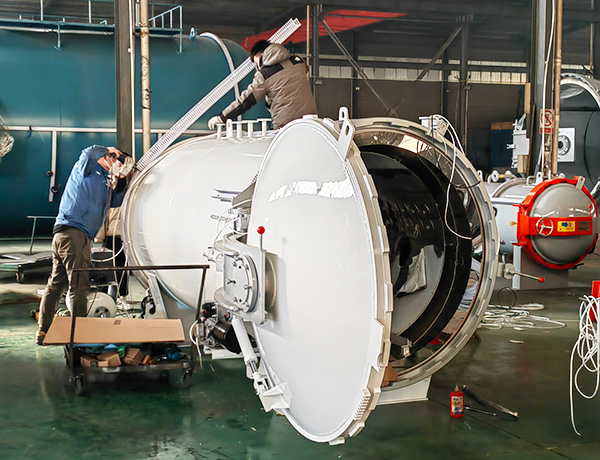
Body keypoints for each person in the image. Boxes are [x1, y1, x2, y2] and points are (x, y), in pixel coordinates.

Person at [36, 145, 129, 345]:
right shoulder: (88, 168)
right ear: (104, 157)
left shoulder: (105, 182)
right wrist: (108, 149)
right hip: (74, 233)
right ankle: (79, 334)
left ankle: (44, 330)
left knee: (57, 283)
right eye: (113, 159)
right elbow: (88, 152)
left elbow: (115, 201)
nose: (115, 163)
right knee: (79, 285)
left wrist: (123, 180)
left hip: (70, 235)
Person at [208, 39, 317, 130]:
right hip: (312, 122)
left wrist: (223, 117)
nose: (259, 67)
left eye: (257, 63)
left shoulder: (264, 75)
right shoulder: (299, 62)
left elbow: (247, 100)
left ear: (262, 54)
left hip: (285, 126)